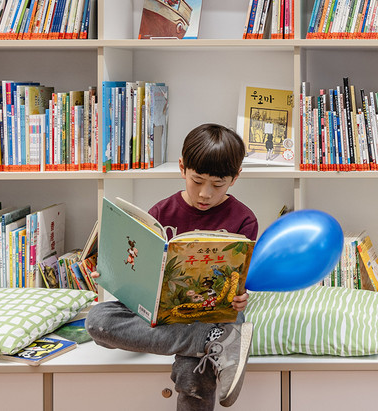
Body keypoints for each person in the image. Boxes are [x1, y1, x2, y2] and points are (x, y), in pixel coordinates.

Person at [86, 124, 259, 410]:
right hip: (165, 312)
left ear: (235, 178)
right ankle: (214, 344)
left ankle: (215, 340)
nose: (205, 193)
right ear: (182, 168)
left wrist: (241, 297)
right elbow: (139, 266)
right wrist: (113, 273)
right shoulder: (161, 212)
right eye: (197, 180)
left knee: (193, 371)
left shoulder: (243, 219)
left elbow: (240, 282)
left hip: (214, 316)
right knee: (97, 321)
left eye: (217, 185)